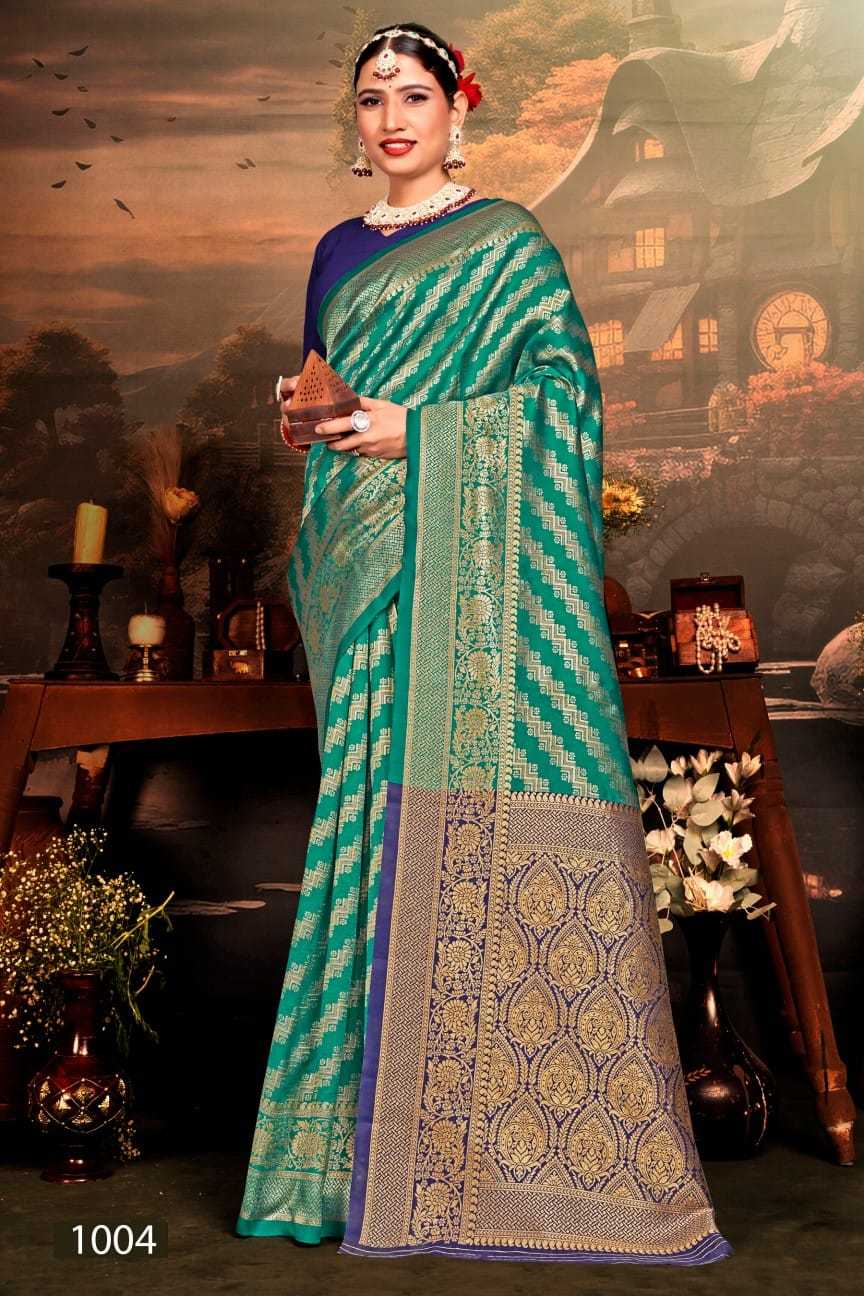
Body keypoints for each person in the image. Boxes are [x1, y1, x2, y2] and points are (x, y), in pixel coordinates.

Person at [236, 21, 733, 1265]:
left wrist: (425, 433)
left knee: (462, 823)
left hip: (462, 572)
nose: (391, 119)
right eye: (371, 100)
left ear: (458, 110)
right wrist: (306, 417)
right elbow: (329, 393)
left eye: (413, 95)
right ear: (354, 123)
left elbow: (567, 401)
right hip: (367, 570)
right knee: (367, 833)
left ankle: (497, 1156)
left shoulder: (509, 244)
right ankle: (345, 1165)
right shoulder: (337, 250)